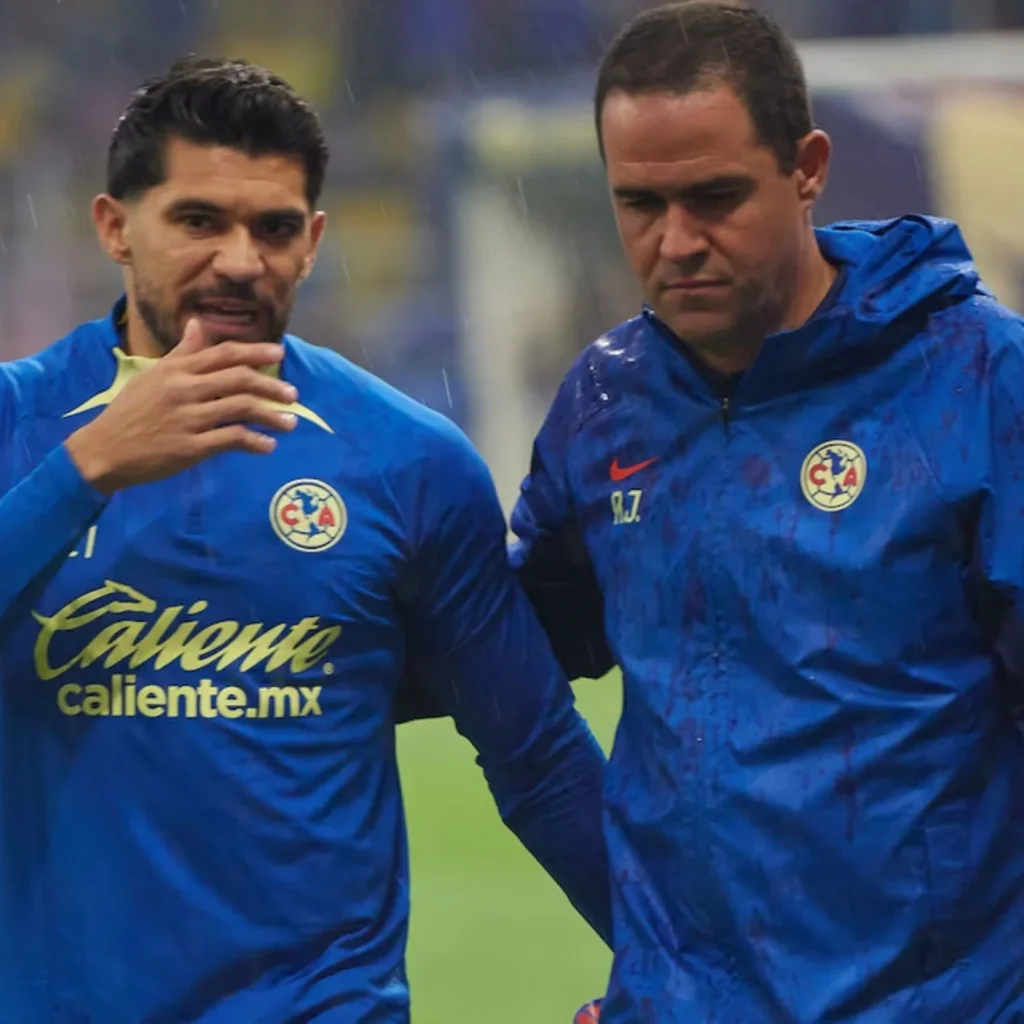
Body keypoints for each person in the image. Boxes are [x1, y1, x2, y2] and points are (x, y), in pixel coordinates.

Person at [0, 57, 611, 1023]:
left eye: (275, 228)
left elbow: (537, 757)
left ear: (315, 241)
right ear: (115, 226)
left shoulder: (407, 460)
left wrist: (691, 971)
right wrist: (87, 469)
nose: (241, 260)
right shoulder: (18, 425)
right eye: (199, 220)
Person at [510, 3, 1024, 1021]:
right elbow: (510, 645)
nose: (676, 242)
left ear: (807, 167)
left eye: (715, 197)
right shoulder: (605, 404)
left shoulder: (976, 379)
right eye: (640, 203)